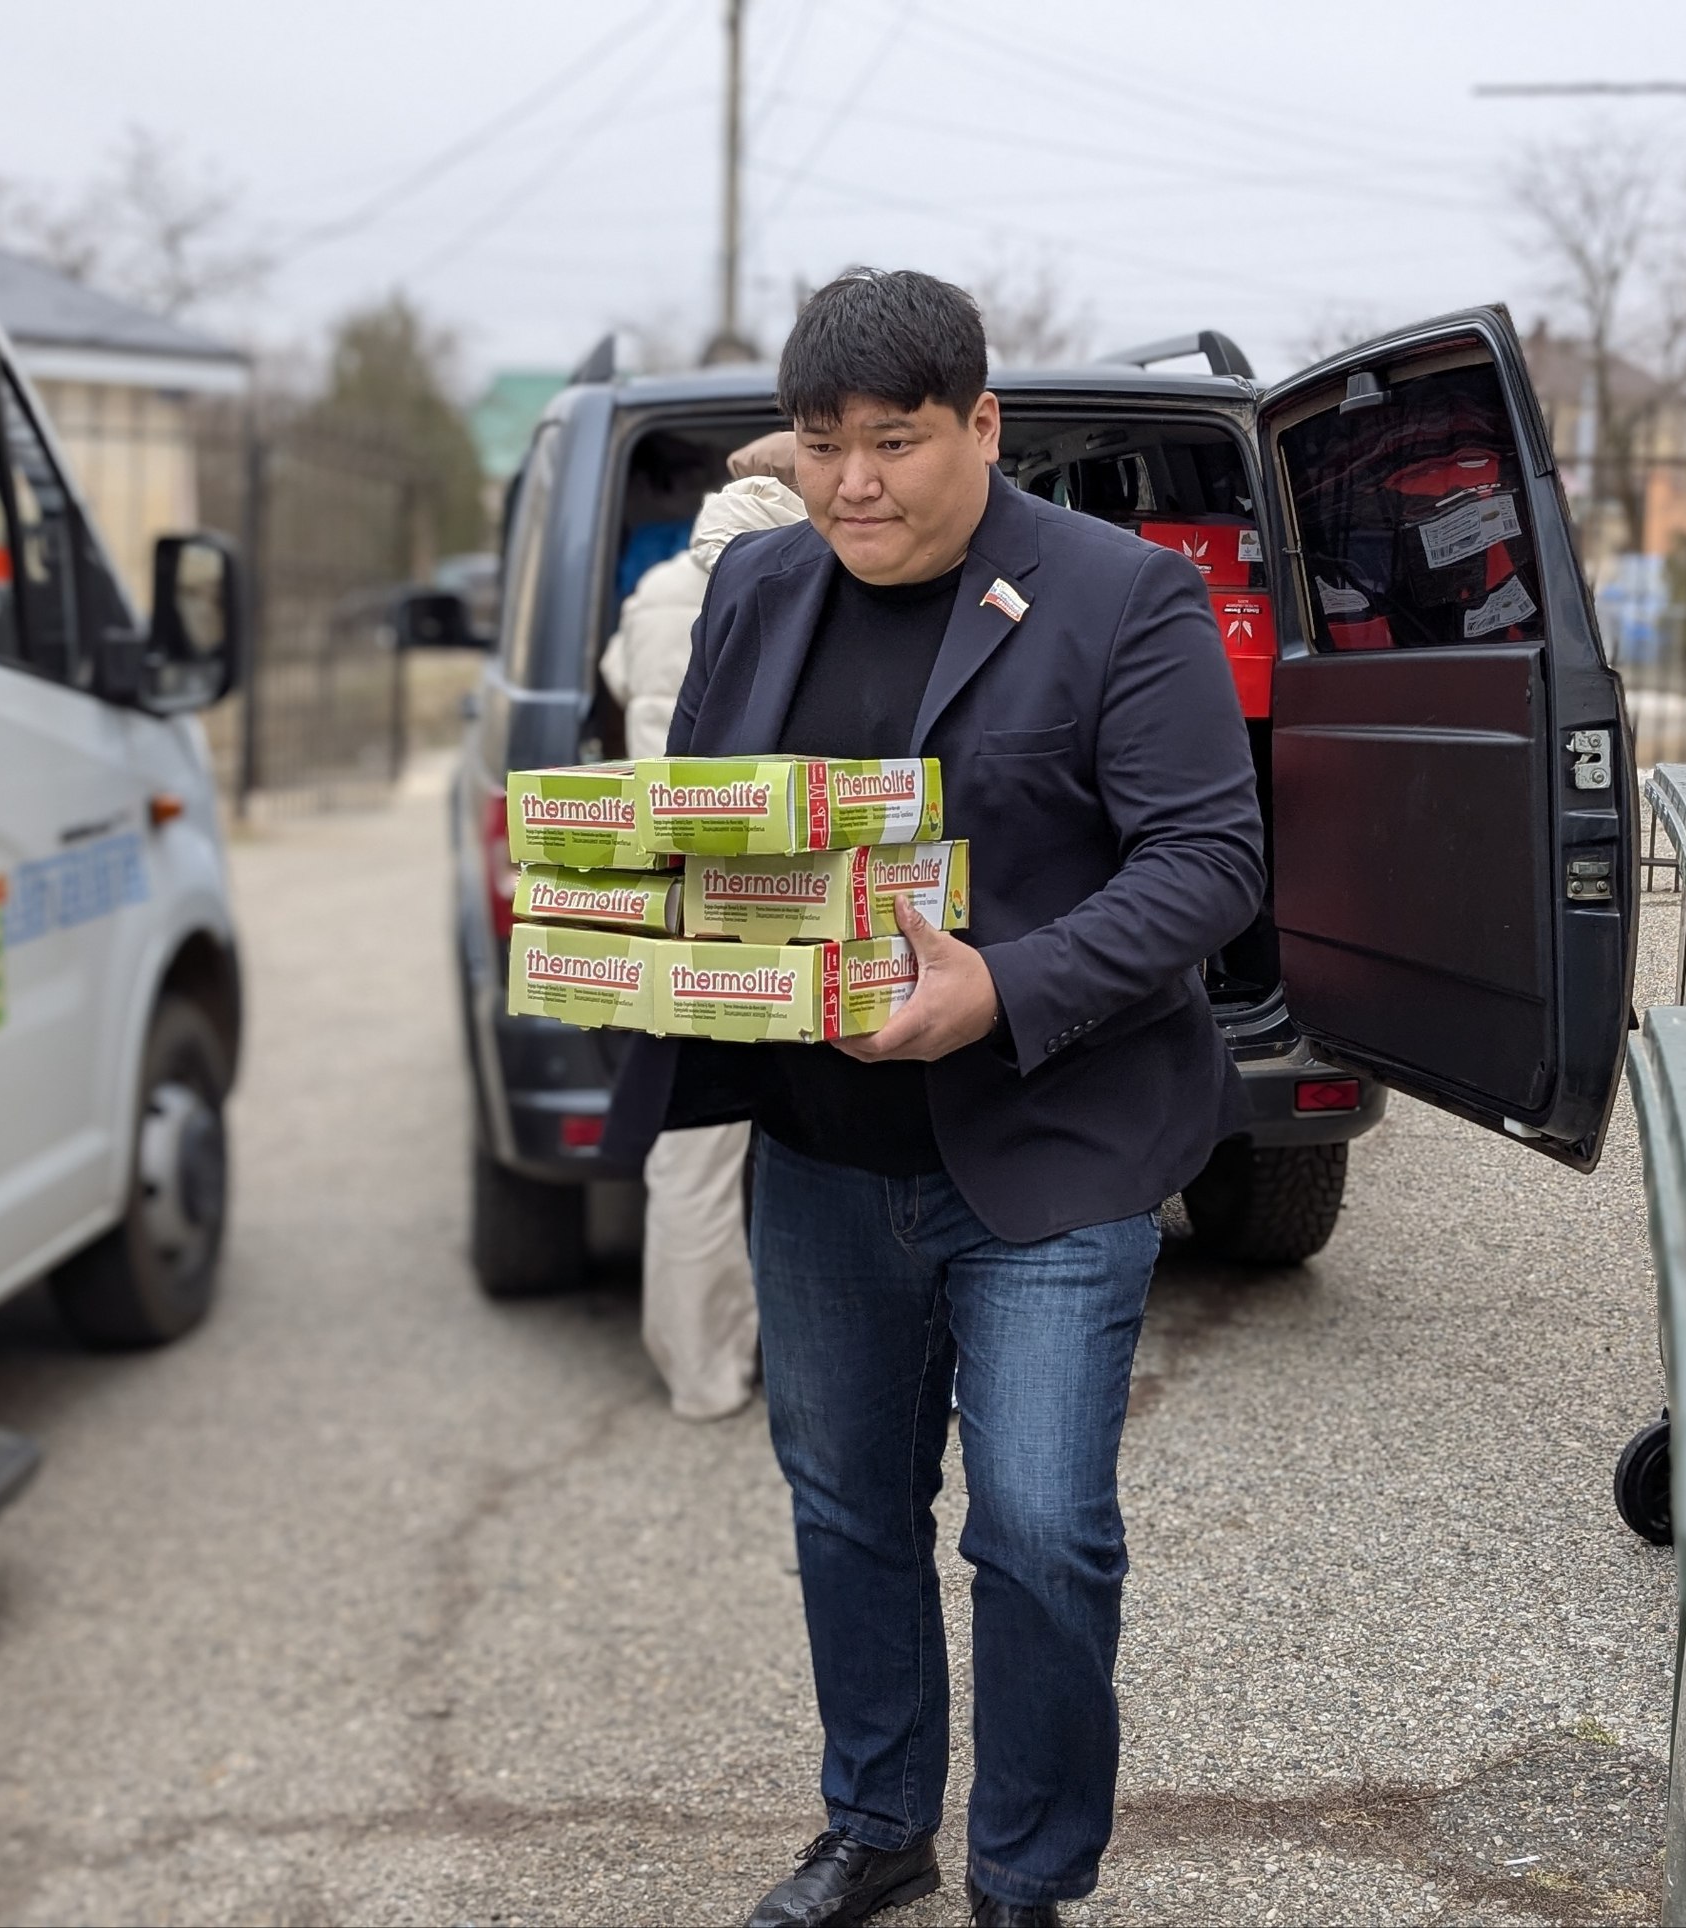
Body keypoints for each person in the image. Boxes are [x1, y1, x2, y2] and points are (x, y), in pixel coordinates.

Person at [606, 270, 1263, 1928]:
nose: (856, 486)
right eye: (823, 446)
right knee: (845, 1503)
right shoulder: (758, 587)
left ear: (983, 425)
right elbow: (712, 831)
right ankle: (878, 1819)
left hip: (1051, 1151)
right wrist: (627, 925)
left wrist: (1004, 983)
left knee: (1041, 1529)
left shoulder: (1124, 596)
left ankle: (1027, 1874)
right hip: (822, 1155)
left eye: (895, 443)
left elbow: (1212, 862)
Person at [599, 433, 807, 1420]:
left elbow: (612, 679)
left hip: (673, 892)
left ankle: (703, 1372)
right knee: (852, 1131)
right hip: (791, 893)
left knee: (694, 1144)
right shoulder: (813, 579)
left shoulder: (654, 591)